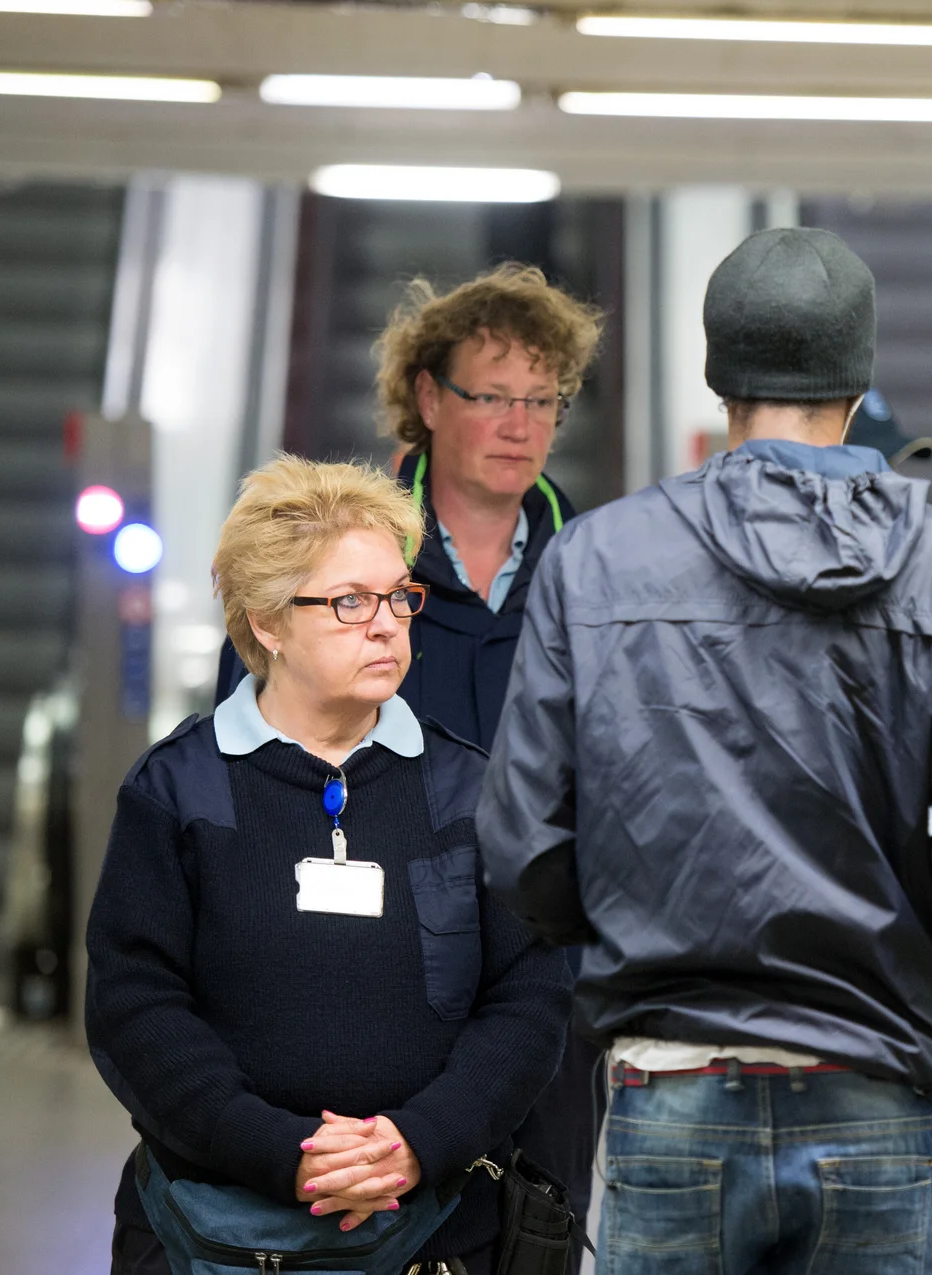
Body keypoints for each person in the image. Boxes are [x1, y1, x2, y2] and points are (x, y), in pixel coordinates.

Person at [476, 226, 932, 1275]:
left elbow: (522, 845)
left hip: (670, 1085)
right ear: (860, 379)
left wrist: (643, 914)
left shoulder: (594, 558)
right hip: (879, 1091)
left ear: (719, 378)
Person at [90, 457, 573, 1275]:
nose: (387, 625)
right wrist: (288, 1153)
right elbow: (135, 1007)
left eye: (399, 596)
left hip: (434, 1231)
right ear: (268, 622)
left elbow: (528, 994)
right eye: (351, 601)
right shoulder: (177, 789)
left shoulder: (469, 789)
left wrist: (417, 1140)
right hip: (211, 1234)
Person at [213, 264, 607, 1241]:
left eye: (542, 400)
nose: (519, 424)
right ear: (428, 398)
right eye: (492, 396)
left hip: (549, 995)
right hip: (367, 985)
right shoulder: (334, 567)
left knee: (536, 1233)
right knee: (361, 1226)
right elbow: (247, 777)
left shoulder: (601, 573)